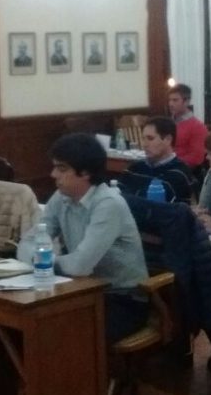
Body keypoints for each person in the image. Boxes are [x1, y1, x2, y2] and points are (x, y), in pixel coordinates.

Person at [43, 133, 149, 344]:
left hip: (122, 299)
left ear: (85, 172)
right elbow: (30, 240)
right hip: (80, 290)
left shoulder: (108, 204)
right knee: (36, 324)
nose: (53, 174)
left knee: (62, 333)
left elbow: (80, 266)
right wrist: (39, 258)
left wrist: (44, 261)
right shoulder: (61, 197)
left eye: (62, 168)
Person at [124, 116, 194, 203]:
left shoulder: (179, 173)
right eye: (143, 139)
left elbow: (152, 206)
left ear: (168, 140)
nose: (144, 144)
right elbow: (117, 193)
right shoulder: (135, 168)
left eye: (150, 138)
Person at [167, 83, 208, 167]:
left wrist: (169, 163)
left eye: (175, 100)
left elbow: (196, 158)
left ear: (186, 102)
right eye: (169, 100)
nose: (170, 104)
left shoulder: (198, 127)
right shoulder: (168, 123)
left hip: (182, 170)